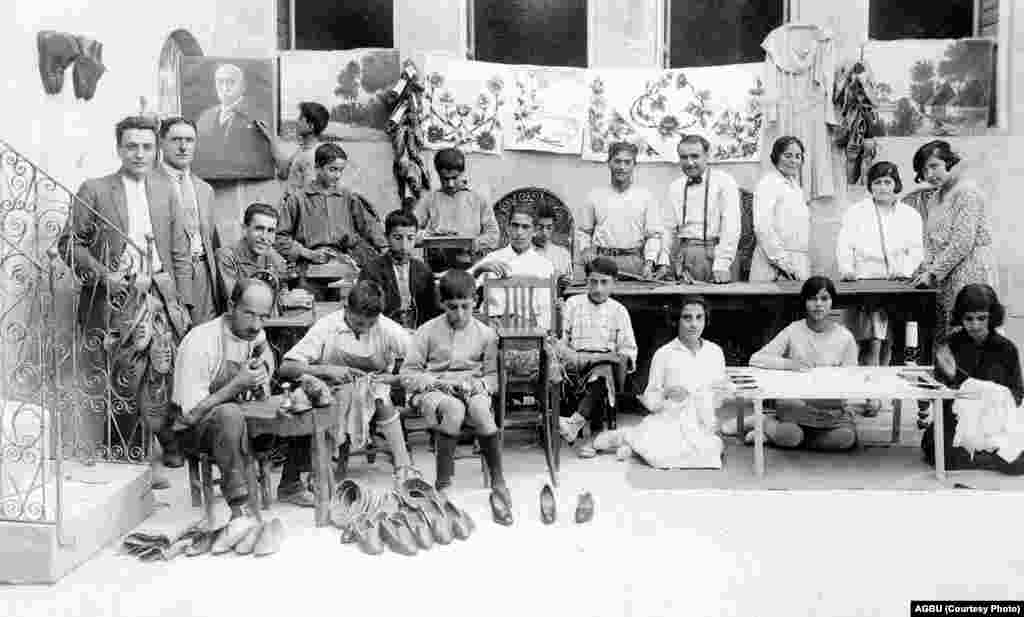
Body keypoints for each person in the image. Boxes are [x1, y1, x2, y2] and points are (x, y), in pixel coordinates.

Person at [58, 115, 193, 488]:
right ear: (119, 148)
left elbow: (180, 251)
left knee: (159, 378)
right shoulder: (96, 189)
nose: (140, 153)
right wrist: (104, 275)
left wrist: (182, 303)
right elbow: (69, 244)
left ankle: (150, 457)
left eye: (147, 146)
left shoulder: (167, 190)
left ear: (156, 149)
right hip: (117, 300)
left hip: (159, 297)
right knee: (123, 379)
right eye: (132, 146)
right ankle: (126, 463)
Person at [171, 278, 302, 550]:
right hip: (189, 430)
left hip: (231, 422)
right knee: (230, 414)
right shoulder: (201, 342)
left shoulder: (253, 333)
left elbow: (263, 347)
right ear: (231, 306)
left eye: (263, 317)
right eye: (249, 314)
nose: (256, 325)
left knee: (287, 409)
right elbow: (190, 414)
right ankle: (240, 512)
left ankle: (259, 506)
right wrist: (237, 385)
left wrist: (262, 370)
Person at [278, 281, 420, 485]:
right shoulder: (327, 326)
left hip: (375, 384)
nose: (365, 329)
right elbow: (286, 367)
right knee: (334, 399)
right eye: (359, 323)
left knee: (380, 398)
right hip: (331, 386)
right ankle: (322, 470)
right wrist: (326, 369)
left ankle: (403, 465)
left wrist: (395, 379)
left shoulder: (386, 328)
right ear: (346, 309)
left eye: (371, 324)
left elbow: (419, 363)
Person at [400, 270, 513, 524]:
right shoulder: (427, 331)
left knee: (483, 412)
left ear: (476, 301)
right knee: (454, 409)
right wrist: (436, 382)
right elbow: (407, 373)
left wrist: (480, 385)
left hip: (471, 386)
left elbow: (495, 377)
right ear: (442, 304)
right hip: (435, 390)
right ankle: (443, 483)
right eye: (452, 307)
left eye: (465, 306)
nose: (459, 314)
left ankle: (498, 479)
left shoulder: (486, 334)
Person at [592, 296, 730, 469]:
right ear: (676, 321)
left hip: (702, 422)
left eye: (699, 317)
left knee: (711, 454)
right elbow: (651, 398)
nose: (694, 324)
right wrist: (667, 394)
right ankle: (626, 438)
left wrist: (719, 393)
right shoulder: (664, 353)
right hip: (670, 420)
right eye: (687, 318)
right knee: (661, 457)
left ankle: (633, 446)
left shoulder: (715, 352)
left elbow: (720, 397)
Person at [836, 161, 924, 414]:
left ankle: (880, 392)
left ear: (896, 184)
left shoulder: (910, 214)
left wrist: (905, 269)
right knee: (870, 341)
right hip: (865, 282)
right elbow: (844, 244)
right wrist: (847, 270)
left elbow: (916, 249)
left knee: (888, 343)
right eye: (877, 182)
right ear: (870, 186)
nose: (883, 187)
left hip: (896, 285)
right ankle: (869, 395)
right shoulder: (856, 212)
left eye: (888, 181)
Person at [747, 276, 859, 451]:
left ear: (832, 302)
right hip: (796, 404)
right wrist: (790, 364)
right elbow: (756, 359)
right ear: (805, 302)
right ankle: (765, 422)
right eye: (812, 299)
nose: (818, 304)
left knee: (845, 438)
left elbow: (850, 378)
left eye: (824, 298)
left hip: (830, 410)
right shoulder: (793, 330)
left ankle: (780, 434)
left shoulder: (845, 337)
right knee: (792, 435)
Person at [922, 285, 1024, 475]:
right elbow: (937, 395)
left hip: (996, 422)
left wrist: (980, 393)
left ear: (992, 317)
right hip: (959, 421)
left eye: (981, 318)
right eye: (969, 319)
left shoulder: (1007, 349)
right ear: (960, 317)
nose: (975, 325)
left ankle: (981, 456)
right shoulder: (950, 345)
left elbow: (1017, 394)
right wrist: (949, 381)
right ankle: (987, 458)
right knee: (937, 450)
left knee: (1017, 459)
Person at [908, 141, 998, 342]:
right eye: (924, 170)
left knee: (971, 334)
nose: (930, 174)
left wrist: (933, 273)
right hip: (945, 276)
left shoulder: (967, 192)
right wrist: (925, 267)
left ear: (949, 162)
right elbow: (932, 241)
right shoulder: (935, 198)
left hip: (971, 272)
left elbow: (962, 242)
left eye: (934, 166)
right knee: (947, 338)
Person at [276, 143, 388, 296]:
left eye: (341, 170)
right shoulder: (298, 199)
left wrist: (384, 248)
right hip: (308, 269)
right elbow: (279, 238)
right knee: (309, 307)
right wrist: (307, 253)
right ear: (317, 167)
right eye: (332, 169)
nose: (337, 175)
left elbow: (369, 226)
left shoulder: (348, 197)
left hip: (346, 265)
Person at [557, 257, 638, 458]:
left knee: (603, 371)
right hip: (575, 360)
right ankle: (582, 428)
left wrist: (618, 358)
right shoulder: (573, 304)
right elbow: (560, 340)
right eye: (593, 282)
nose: (598, 288)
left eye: (604, 282)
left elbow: (628, 348)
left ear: (613, 283)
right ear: (587, 281)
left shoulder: (619, 311)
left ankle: (574, 423)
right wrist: (572, 357)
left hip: (603, 363)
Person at [157, 116, 221, 323]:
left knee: (202, 337)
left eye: (189, 140)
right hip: (168, 274)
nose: (183, 147)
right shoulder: (148, 184)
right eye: (176, 140)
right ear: (161, 142)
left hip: (202, 272)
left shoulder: (204, 189)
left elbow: (212, 241)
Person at [575, 142, 667, 279]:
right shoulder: (594, 195)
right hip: (602, 261)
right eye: (617, 161)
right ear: (609, 163)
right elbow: (584, 231)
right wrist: (586, 250)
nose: (621, 167)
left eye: (627, 162)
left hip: (633, 262)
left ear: (634, 165)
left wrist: (649, 263)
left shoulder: (646, 197)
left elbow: (653, 235)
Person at [664, 135, 741, 284]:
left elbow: (731, 226)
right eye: (684, 157)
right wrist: (663, 262)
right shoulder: (675, 186)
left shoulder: (724, 182)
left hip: (716, 252)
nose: (689, 162)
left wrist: (722, 264)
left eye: (695, 156)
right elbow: (667, 228)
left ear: (707, 155)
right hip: (685, 254)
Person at [468, 205, 556, 331]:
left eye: (525, 227)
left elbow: (546, 311)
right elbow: (461, 286)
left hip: (527, 331)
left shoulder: (544, 265)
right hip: (491, 328)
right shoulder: (493, 258)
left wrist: (538, 336)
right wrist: (479, 270)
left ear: (535, 230)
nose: (519, 232)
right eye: (515, 226)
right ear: (507, 228)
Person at [413, 147, 500, 271]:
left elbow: (494, 236)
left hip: (470, 266)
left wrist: (471, 243)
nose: (450, 184)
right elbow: (410, 232)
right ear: (438, 174)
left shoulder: (479, 198)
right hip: (436, 266)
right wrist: (431, 235)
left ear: (463, 173)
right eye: (445, 179)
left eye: (454, 178)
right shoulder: (430, 199)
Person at [216, 202, 311, 310]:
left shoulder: (272, 255)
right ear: (245, 229)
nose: (264, 237)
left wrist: (294, 296)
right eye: (259, 229)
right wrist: (283, 301)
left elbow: (282, 288)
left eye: (270, 231)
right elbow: (236, 300)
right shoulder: (226, 256)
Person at [357, 210, 441, 329]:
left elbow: (431, 309)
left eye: (410, 238)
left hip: (418, 329)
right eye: (398, 238)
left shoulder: (422, 269)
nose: (404, 245)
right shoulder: (372, 270)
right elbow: (367, 309)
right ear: (386, 237)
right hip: (384, 331)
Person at [192, 63, 272, 179]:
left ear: (243, 86)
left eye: (230, 82)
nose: (225, 88)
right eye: (220, 82)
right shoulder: (205, 117)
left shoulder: (258, 116)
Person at [749, 136, 811, 282]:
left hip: (797, 259)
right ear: (776, 156)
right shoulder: (768, 183)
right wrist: (782, 262)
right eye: (788, 155)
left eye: (798, 156)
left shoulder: (796, 187)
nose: (793, 161)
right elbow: (762, 227)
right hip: (773, 261)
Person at [255, 101, 330, 189]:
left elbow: (309, 196)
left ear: (310, 126)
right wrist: (270, 138)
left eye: (301, 119)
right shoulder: (303, 150)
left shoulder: (311, 156)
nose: (297, 122)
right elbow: (284, 170)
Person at [532, 202, 573, 285]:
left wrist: (565, 281)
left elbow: (569, 282)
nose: (544, 232)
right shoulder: (523, 251)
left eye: (549, 227)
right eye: (540, 227)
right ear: (533, 227)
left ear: (553, 227)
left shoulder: (563, 254)